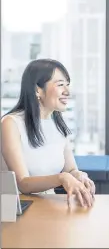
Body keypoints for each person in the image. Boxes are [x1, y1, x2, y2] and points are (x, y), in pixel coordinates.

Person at [1, 59, 95, 208]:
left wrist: (78, 176)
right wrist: (62, 178)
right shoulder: (11, 123)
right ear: (37, 90)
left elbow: (70, 169)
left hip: (49, 208)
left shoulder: (57, 124)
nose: (67, 92)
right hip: (18, 211)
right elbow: (23, 183)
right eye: (60, 85)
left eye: (67, 85)